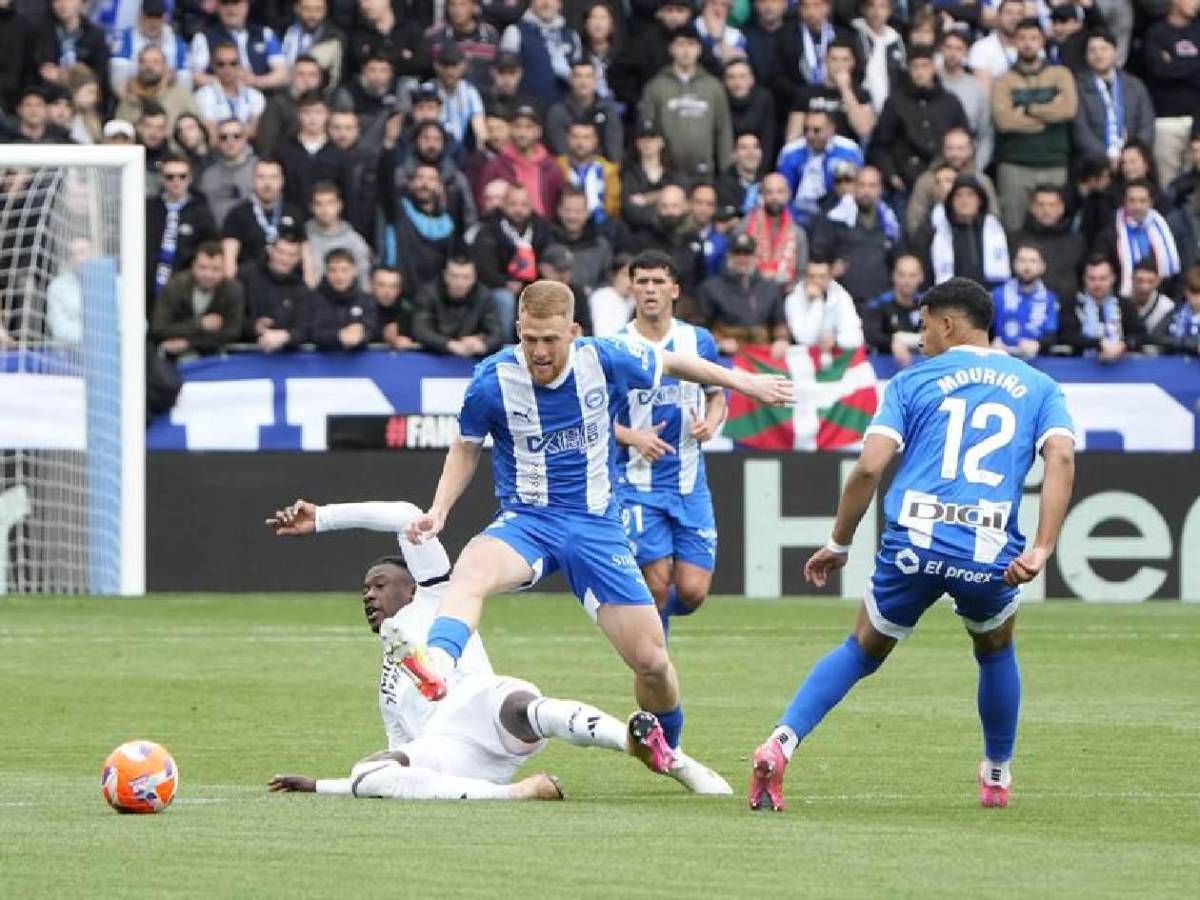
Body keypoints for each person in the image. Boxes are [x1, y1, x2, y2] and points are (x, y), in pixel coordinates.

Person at [392, 279, 792, 789]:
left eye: (550, 340)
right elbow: (466, 446)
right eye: (529, 339)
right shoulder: (492, 380)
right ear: (518, 330)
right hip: (528, 521)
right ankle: (436, 668)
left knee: (652, 662)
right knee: (470, 567)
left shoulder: (605, 358)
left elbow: (673, 362)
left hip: (596, 527)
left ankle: (670, 752)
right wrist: (440, 508)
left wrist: (747, 384)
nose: (539, 352)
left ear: (574, 332)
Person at [748, 277, 1077, 813]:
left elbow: (869, 468)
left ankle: (781, 742)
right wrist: (1041, 548)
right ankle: (996, 773)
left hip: (913, 546)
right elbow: (1060, 457)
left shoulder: (911, 382)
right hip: (987, 551)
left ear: (948, 324)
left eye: (924, 327)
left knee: (861, 649)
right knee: (995, 649)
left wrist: (838, 542)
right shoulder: (1039, 386)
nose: (920, 338)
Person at [263, 498, 701, 801]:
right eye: (364, 590)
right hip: (454, 751)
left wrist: (324, 518)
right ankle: (514, 794)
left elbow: (405, 515)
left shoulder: (437, 593)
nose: (369, 595)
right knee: (368, 775)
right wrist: (320, 785)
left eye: (379, 584)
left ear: (413, 586)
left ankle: (639, 744)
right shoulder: (388, 685)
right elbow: (405, 755)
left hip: (485, 709)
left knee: (521, 705)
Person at [611, 251, 726, 637]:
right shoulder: (615, 347)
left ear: (674, 290)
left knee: (693, 592)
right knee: (657, 584)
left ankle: (648, 617)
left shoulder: (698, 341)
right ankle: (655, 663)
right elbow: (593, 417)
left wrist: (711, 423)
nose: (650, 289)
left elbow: (717, 396)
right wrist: (633, 437)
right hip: (636, 484)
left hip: (690, 483)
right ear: (631, 289)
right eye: (642, 282)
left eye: (658, 282)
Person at [991, 19, 1078, 232]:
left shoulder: (1061, 74)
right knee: (1014, 227)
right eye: (1022, 38)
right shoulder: (1003, 80)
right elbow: (1004, 121)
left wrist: (1028, 109)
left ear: (1042, 41)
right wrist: (1048, 113)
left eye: (1033, 38)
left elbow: (1068, 110)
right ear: (1015, 42)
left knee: (1057, 227)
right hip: (1014, 165)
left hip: (1054, 163)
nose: (1028, 43)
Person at [869, 47, 968, 203]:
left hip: (945, 182)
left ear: (934, 68)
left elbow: (964, 139)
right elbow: (880, 144)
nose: (920, 72)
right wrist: (891, 175)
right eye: (915, 67)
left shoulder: (950, 102)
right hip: (905, 182)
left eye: (925, 66)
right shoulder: (895, 102)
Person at [638, 24, 733, 183]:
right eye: (680, 44)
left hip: (704, 170)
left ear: (699, 49)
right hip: (666, 172)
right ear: (671, 49)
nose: (686, 51)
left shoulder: (713, 87)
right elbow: (647, 131)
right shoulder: (655, 86)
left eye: (691, 44)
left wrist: (726, 172)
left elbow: (723, 131)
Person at [473, 182, 554, 337]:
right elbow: (484, 268)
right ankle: (504, 344)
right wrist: (505, 283)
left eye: (524, 205)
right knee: (504, 299)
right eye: (513, 204)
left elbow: (548, 258)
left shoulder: (541, 228)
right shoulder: (488, 228)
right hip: (498, 286)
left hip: (533, 284)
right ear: (503, 204)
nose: (519, 210)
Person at [812, 165, 898, 304]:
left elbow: (896, 258)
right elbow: (818, 255)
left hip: (880, 300)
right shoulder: (835, 218)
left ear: (880, 189)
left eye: (872, 186)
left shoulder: (890, 222)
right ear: (854, 187)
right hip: (843, 298)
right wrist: (830, 270)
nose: (866, 191)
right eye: (862, 185)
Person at [695, 233, 790, 356]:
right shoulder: (710, 288)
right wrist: (718, 342)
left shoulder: (770, 287)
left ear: (755, 257)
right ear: (728, 255)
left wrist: (781, 340)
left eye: (747, 254)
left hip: (763, 353)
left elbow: (779, 322)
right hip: (726, 356)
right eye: (737, 253)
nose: (742, 259)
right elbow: (699, 327)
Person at [1073, 30, 1155, 171]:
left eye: (1104, 49)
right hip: (1095, 162)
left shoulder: (1134, 85)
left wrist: (1132, 156)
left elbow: (1147, 124)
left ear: (1115, 52)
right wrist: (1106, 157)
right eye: (1092, 50)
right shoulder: (1078, 86)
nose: (1099, 55)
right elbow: (1081, 129)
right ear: (1086, 56)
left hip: (1133, 160)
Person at [145, 153, 218, 308]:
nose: (176, 181)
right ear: (161, 179)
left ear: (190, 179)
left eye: (182, 176)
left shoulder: (201, 211)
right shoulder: (149, 208)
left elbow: (209, 246)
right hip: (148, 283)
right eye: (170, 177)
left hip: (185, 285)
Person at [151, 242, 245, 356]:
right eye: (203, 267)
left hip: (216, 353)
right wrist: (200, 324)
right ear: (193, 266)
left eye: (216, 269)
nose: (208, 274)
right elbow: (159, 328)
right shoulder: (175, 286)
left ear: (224, 269)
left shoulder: (233, 290)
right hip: (172, 354)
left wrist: (190, 343)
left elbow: (232, 332)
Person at [1143, 0, 1200, 186]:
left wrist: (1174, 62)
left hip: (1198, 120)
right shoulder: (1156, 33)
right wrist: (1194, 65)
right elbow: (1159, 70)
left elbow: (1169, 69)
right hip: (1166, 121)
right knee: (1167, 184)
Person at [905, 128, 1000, 240]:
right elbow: (915, 217)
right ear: (943, 150)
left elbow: (994, 215)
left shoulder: (981, 181)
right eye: (950, 148)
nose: (955, 154)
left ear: (971, 150)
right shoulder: (927, 180)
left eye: (960, 148)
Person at [776, 109, 864, 229]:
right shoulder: (790, 152)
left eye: (816, 130)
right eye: (806, 129)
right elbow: (783, 192)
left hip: (836, 212)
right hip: (797, 214)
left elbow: (855, 189)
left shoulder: (849, 151)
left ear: (831, 129)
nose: (810, 135)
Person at [918, 175, 1011, 289]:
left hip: (990, 294)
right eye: (958, 195)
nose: (964, 200)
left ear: (980, 200)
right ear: (951, 201)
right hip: (951, 295)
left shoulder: (997, 229)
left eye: (970, 195)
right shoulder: (936, 232)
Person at [220, 157, 304, 277]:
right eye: (261, 177)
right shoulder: (237, 214)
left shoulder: (294, 212)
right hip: (249, 281)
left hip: (288, 281)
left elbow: (305, 254)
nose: (267, 183)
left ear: (282, 180)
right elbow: (229, 259)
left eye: (273, 177)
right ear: (253, 180)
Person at [477, 104, 565, 219]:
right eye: (517, 126)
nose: (522, 133)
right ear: (510, 129)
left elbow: (560, 205)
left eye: (528, 127)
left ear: (538, 131)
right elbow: (483, 202)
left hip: (544, 227)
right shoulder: (496, 167)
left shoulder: (552, 168)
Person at [783, 38, 873, 145]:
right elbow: (793, 137)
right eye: (834, 59)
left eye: (844, 60)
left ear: (852, 62)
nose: (839, 65)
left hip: (846, 151)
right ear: (825, 61)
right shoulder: (807, 93)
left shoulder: (861, 94)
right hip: (812, 150)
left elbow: (864, 129)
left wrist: (845, 89)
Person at [412, 256, 505, 357]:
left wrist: (483, 344)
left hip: (472, 355)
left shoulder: (484, 296)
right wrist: (449, 344)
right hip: (437, 354)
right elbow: (421, 330)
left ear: (474, 278)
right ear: (445, 276)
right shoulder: (429, 294)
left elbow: (498, 333)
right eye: (454, 276)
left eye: (466, 277)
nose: (460, 282)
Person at [499, 0, 582, 108]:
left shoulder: (572, 36)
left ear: (559, 3)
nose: (546, 3)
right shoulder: (515, 32)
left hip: (565, 110)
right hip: (527, 110)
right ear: (531, 2)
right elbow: (506, 75)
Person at [190, 0, 287, 92]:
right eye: (226, 3)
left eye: (236, 3)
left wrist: (256, 81)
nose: (231, 9)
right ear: (218, 7)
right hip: (221, 97)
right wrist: (228, 81)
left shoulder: (265, 34)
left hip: (263, 93)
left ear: (246, 5)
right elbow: (197, 77)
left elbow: (282, 73)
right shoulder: (203, 38)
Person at [1058, 255, 1142, 360]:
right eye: (1092, 279)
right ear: (1084, 279)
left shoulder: (1124, 304)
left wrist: (1122, 345)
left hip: (1121, 363)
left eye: (1102, 279)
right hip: (1080, 364)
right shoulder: (1071, 303)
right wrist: (1099, 343)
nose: (1097, 284)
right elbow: (1067, 336)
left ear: (1113, 278)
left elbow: (1140, 334)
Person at [1013, 184, 1086, 305]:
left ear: (1061, 208)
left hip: (1067, 308)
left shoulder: (1077, 241)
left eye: (1052, 205)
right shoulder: (1016, 240)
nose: (1046, 210)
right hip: (1025, 308)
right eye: (1040, 205)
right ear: (1032, 208)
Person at [240, 232, 311, 352]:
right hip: (246, 353)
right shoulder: (246, 276)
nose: (284, 259)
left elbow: (307, 327)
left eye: (291, 255)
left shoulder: (301, 288)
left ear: (298, 259)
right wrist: (253, 327)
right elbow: (230, 317)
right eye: (280, 252)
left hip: (287, 357)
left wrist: (286, 336)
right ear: (271, 250)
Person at [545, 59, 624, 164]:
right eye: (578, 76)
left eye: (588, 76)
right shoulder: (558, 112)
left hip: (603, 169)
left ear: (595, 80)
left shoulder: (608, 111)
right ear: (570, 80)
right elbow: (561, 151)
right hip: (566, 170)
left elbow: (615, 152)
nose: (583, 82)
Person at [739, 172, 808, 289]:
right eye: (769, 192)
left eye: (779, 192)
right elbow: (734, 266)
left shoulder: (798, 233)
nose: (774, 197)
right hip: (750, 291)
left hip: (786, 293)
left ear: (788, 194)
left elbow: (801, 273)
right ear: (762, 195)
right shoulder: (745, 226)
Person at [991, 243, 1061, 358]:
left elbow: (1053, 335)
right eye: (1022, 260)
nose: (1027, 266)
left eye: (1033, 261)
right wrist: (991, 343)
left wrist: (1038, 345)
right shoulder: (997, 294)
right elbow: (982, 328)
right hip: (1000, 359)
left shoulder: (1050, 299)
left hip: (1037, 362)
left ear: (1042, 266)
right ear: (1014, 264)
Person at [300, 248, 377, 351]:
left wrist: (362, 334)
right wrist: (339, 336)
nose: (339, 276)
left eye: (344, 270)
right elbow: (309, 331)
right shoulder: (313, 299)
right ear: (326, 272)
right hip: (321, 359)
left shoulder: (365, 300)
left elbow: (373, 329)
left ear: (354, 271)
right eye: (333, 270)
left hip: (357, 359)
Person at [937, 29, 993, 173]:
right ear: (941, 49)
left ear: (966, 53)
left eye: (959, 49)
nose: (953, 53)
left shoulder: (976, 88)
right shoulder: (931, 83)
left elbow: (985, 133)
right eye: (948, 47)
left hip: (968, 165)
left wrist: (976, 168)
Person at [114, 44, 199, 135]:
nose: (148, 66)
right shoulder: (129, 99)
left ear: (164, 66)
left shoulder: (180, 95)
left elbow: (198, 127)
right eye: (143, 62)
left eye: (155, 62)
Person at [783, 256, 864, 351]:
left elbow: (856, 338)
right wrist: (817, 301)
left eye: (822, 276)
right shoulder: (794, 298)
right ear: (805, 277)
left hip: (834, 352)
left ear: (830, 277)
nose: (816, 281)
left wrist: (835, 340)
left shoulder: (841, 295)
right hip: (803, 354)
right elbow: (806, 339)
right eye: (811, 276)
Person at [193, 41, 266, 145]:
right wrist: (242, 131)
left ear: (240, 65)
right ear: (213, 66)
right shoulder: (203, 96)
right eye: (221, 64)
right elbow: (212, 136)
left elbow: (254, 132)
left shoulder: (255, 96)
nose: (227, 69)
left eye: (233, 63)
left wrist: (224, 131)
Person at [303, 182, 372, 289]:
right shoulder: (302, 236)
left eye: (330, 203)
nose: (325, 209)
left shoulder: (354, 241)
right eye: (319, 204)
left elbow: (364, 281)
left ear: (339, 205)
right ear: (311, 207)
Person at [423, 42, 488, 153]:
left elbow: (480, 129)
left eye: (454, 65)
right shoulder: (426, 90)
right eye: (445, 65)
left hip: (460, 150)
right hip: (432, 149)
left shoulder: (470, 91)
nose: (449, 71)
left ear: (463, 66)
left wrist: (481, 152)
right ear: (436, 65)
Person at [862, 253, 925, 367]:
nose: (907, 281)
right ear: (893, 275)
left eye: (912, 275)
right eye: (902, 275)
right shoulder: (879, 305)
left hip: (921, 366)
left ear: (921, 277)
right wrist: (891, 342)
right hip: (884, 367)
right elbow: (870, 335)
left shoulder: (928, 305)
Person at [256, 55, 324, 157]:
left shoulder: (328, 104)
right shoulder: (277, 104)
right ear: (291, 77)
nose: (306, 79)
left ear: (320, 79)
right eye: (301, 74)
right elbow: (267, 144)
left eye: (312, 75)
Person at [551, 184, 614, 296]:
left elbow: (608, 280)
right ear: (559, 211)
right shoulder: (547, 241)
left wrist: (592, 290)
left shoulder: (600, 244)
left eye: (578, 211)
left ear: (587, 212)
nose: (572, 216)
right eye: (567, 210)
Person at [426, 0, 502, 90]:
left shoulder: (491, 34)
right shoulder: (435, 35)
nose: (457, 10)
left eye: (463, 4)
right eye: (452, 5)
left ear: (474, 6)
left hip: (484, 93)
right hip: (446, 93)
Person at [557, 118, 621, 224]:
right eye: (575, 137)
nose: (580, 142)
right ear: (567, 139)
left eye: (586, 137)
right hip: (564, 225)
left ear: (595, 140)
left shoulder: (609, 170)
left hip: (601, 226)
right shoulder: (556, 167)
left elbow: (614, 207)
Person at [196, 118, 256, 228]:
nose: (230, 141)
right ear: (218, 141)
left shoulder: (259, 169)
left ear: (245, 138)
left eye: (236, 136)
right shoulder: (208, 175)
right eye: (224, 137)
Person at [280, 0, 346, 88]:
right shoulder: (284, 31)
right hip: (284, 87)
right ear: (296, 8)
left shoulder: (334, 37)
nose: (312, 14)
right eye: (307, 8)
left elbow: (337, 76)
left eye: (318, 9)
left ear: (326, 10)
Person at [723, 58, 776, 165]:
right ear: (725, 81)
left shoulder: (763, 99)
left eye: (742, 76)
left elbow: (768, 138)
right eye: (731, 77)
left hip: (758, 160)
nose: (737, 82)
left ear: (751, 79)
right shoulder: (720, 99)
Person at [1126, 259, 1177, 348]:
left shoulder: (1167, 306)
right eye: (1140, 281)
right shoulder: (1121, 300)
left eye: (1150, 282)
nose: (1144, 287)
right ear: (1132, 279)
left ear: (1158, 281)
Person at [716, 132, 765, 215]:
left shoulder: (767, 182)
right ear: (734, 155)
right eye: (744, 148)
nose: (751, 153)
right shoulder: (721, 187)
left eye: (756, 147)